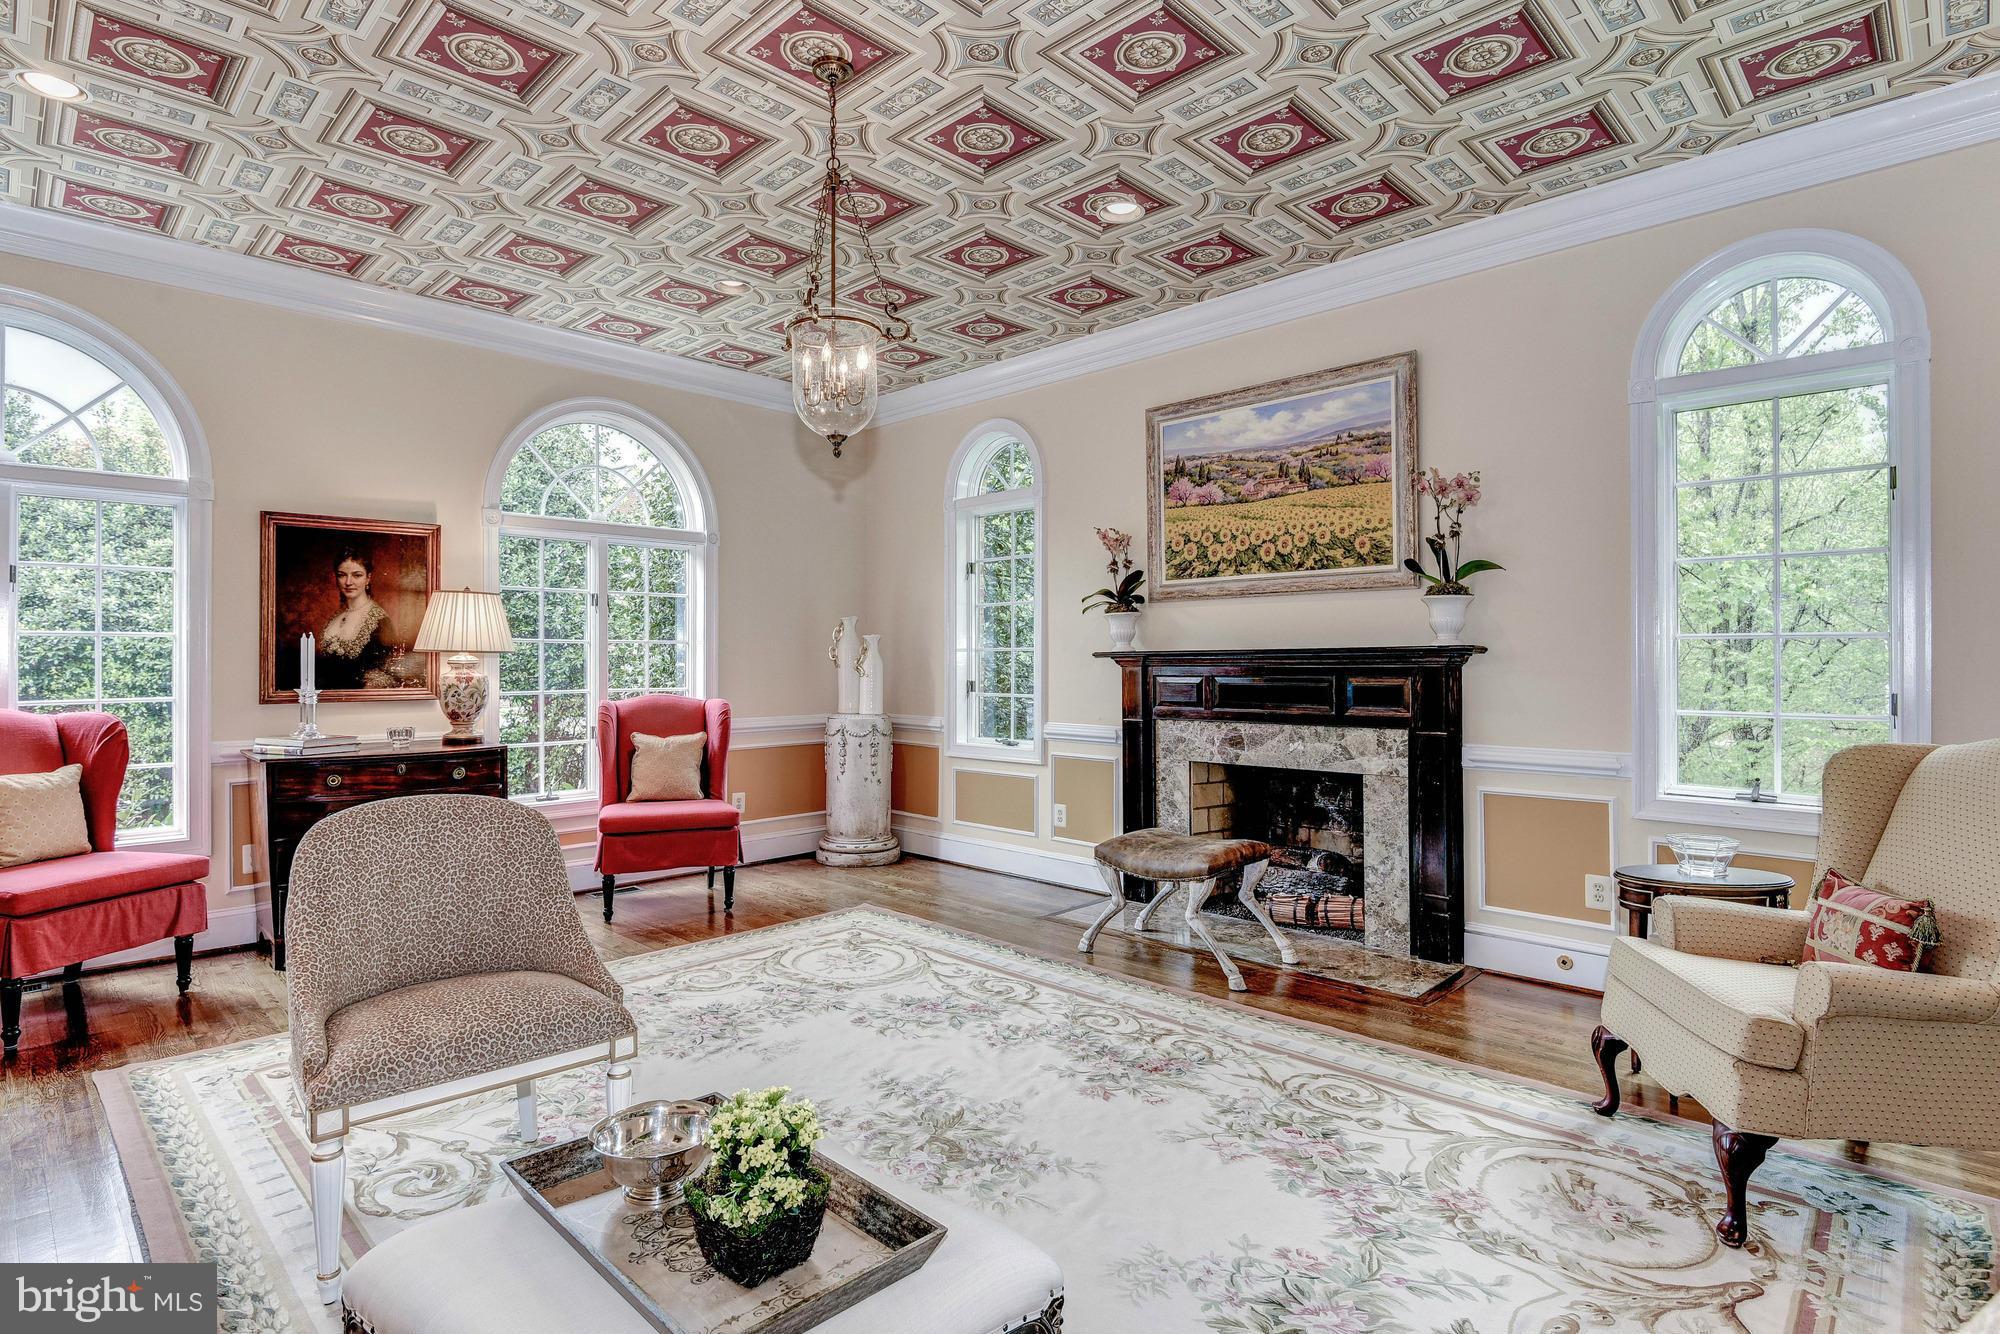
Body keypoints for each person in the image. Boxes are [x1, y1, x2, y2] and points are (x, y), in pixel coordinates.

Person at [315, 548, 396, 689]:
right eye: (342, 575)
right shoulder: (336, 617)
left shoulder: (380, 621)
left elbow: (386, 672)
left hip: (356, 703)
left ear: (368, 578)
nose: (348, 582)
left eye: (357, 575)